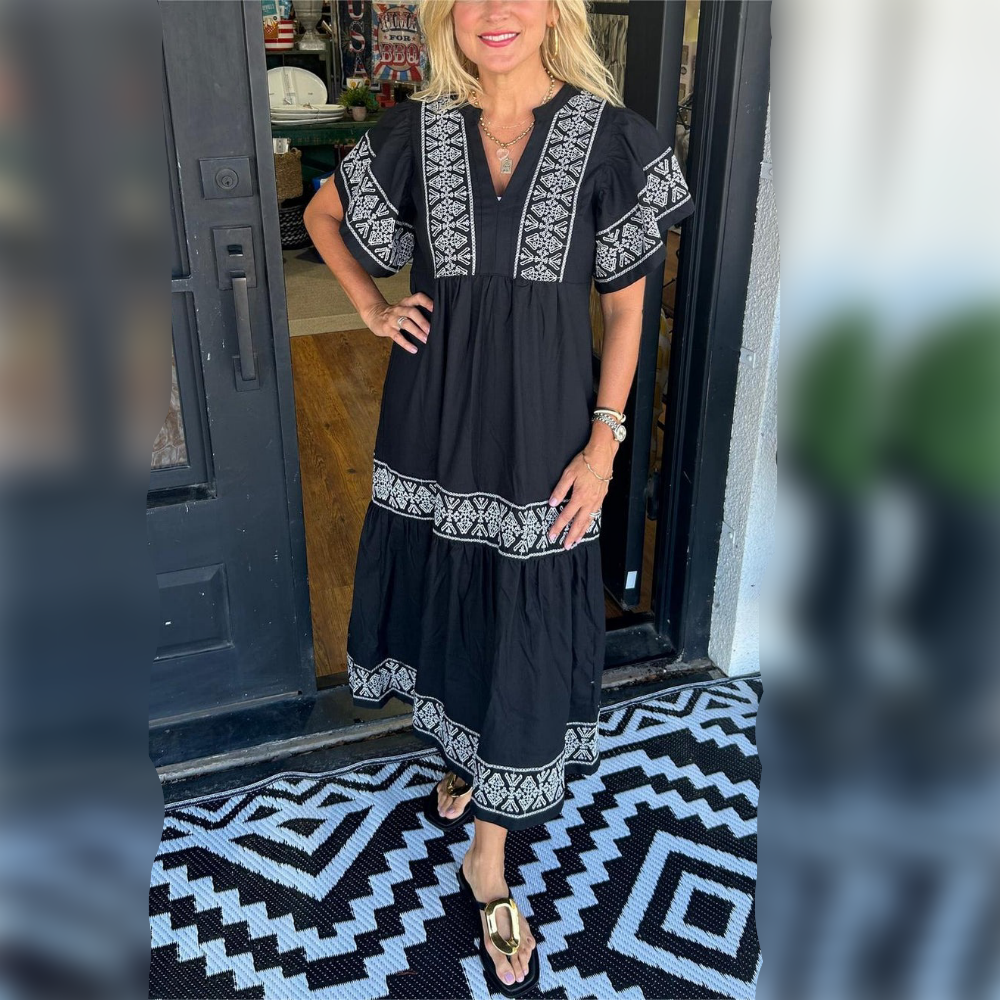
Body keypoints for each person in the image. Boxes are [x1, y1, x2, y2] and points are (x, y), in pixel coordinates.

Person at [303, 1, 693, 993]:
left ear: (556, 9)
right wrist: (370, 305)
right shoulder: (418, 129)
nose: (495, 12)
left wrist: (603, 445)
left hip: (543, 432)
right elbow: (321, 215)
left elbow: (625, 311)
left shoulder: (613, 140)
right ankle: (465, 754)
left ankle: (491, 853)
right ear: (447, 15)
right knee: (447, 586)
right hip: (432, 420)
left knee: (521, 608)